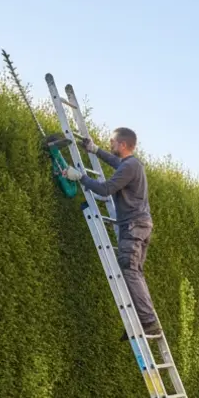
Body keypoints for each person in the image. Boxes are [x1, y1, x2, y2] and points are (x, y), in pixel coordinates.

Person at [61, 127, 161, 340]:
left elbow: (106, 189)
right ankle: (140, 320)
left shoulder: (130, 166)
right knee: (134, 272)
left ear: (123, 145)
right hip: (139, 224)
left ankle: (148, 321)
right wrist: (95, 150)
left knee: (129, 270)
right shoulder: (131, 164)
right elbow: (114, 162)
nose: (110, 145)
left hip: (133, 225)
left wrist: (80, 177)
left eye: (112, 142)